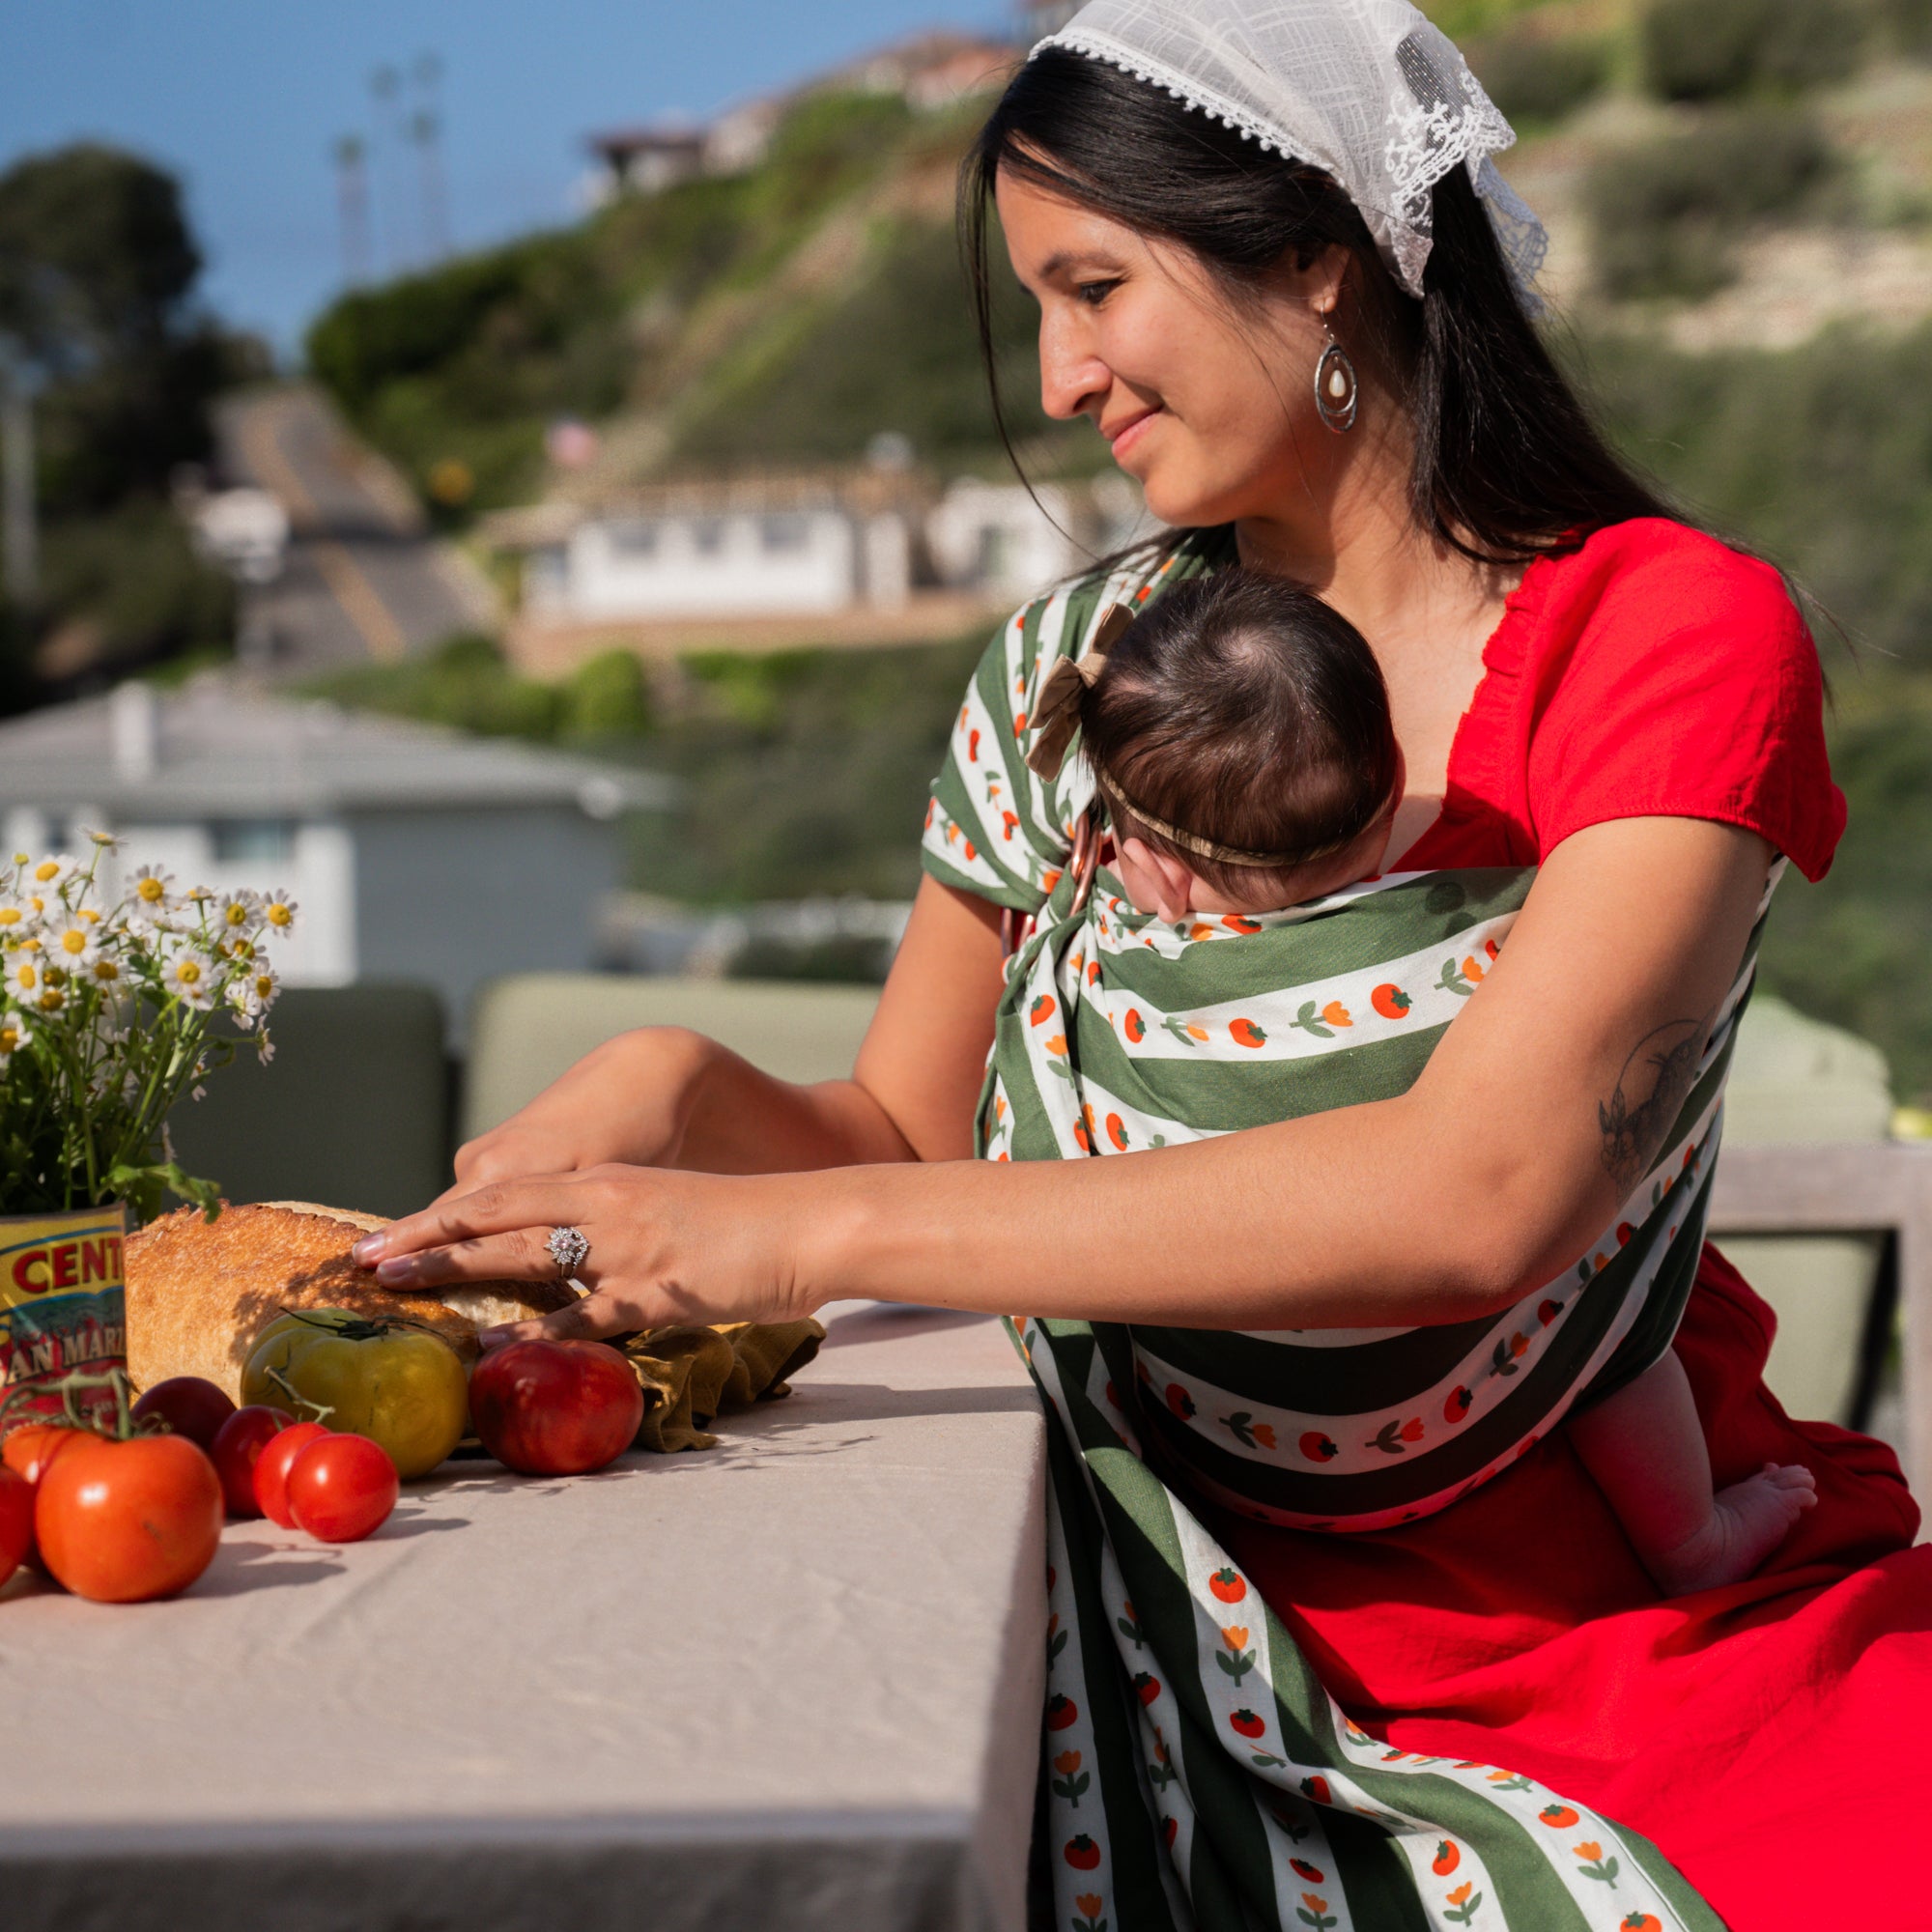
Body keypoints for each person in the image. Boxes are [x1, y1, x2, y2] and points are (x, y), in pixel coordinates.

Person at [353, 2, 1930, 1925]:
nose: (1061, 374)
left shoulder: (1666, 636)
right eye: (1038, 305)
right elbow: (912, 1139)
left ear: (1318, 257)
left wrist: (792, 1236)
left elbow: (1480, 1198)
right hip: (1147, 1585)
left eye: (1094, 285)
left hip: (1609, 1618)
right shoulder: (1079, 677)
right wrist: (687, 1098)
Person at [1027, 565, 1819, 1594]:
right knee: (1597, 1272)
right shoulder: (1491, 942)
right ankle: (1690, 1541)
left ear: (1153, 870)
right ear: (1393, 779)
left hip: (1232, 1449)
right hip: (1465, 1415)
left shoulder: (1099, 980)